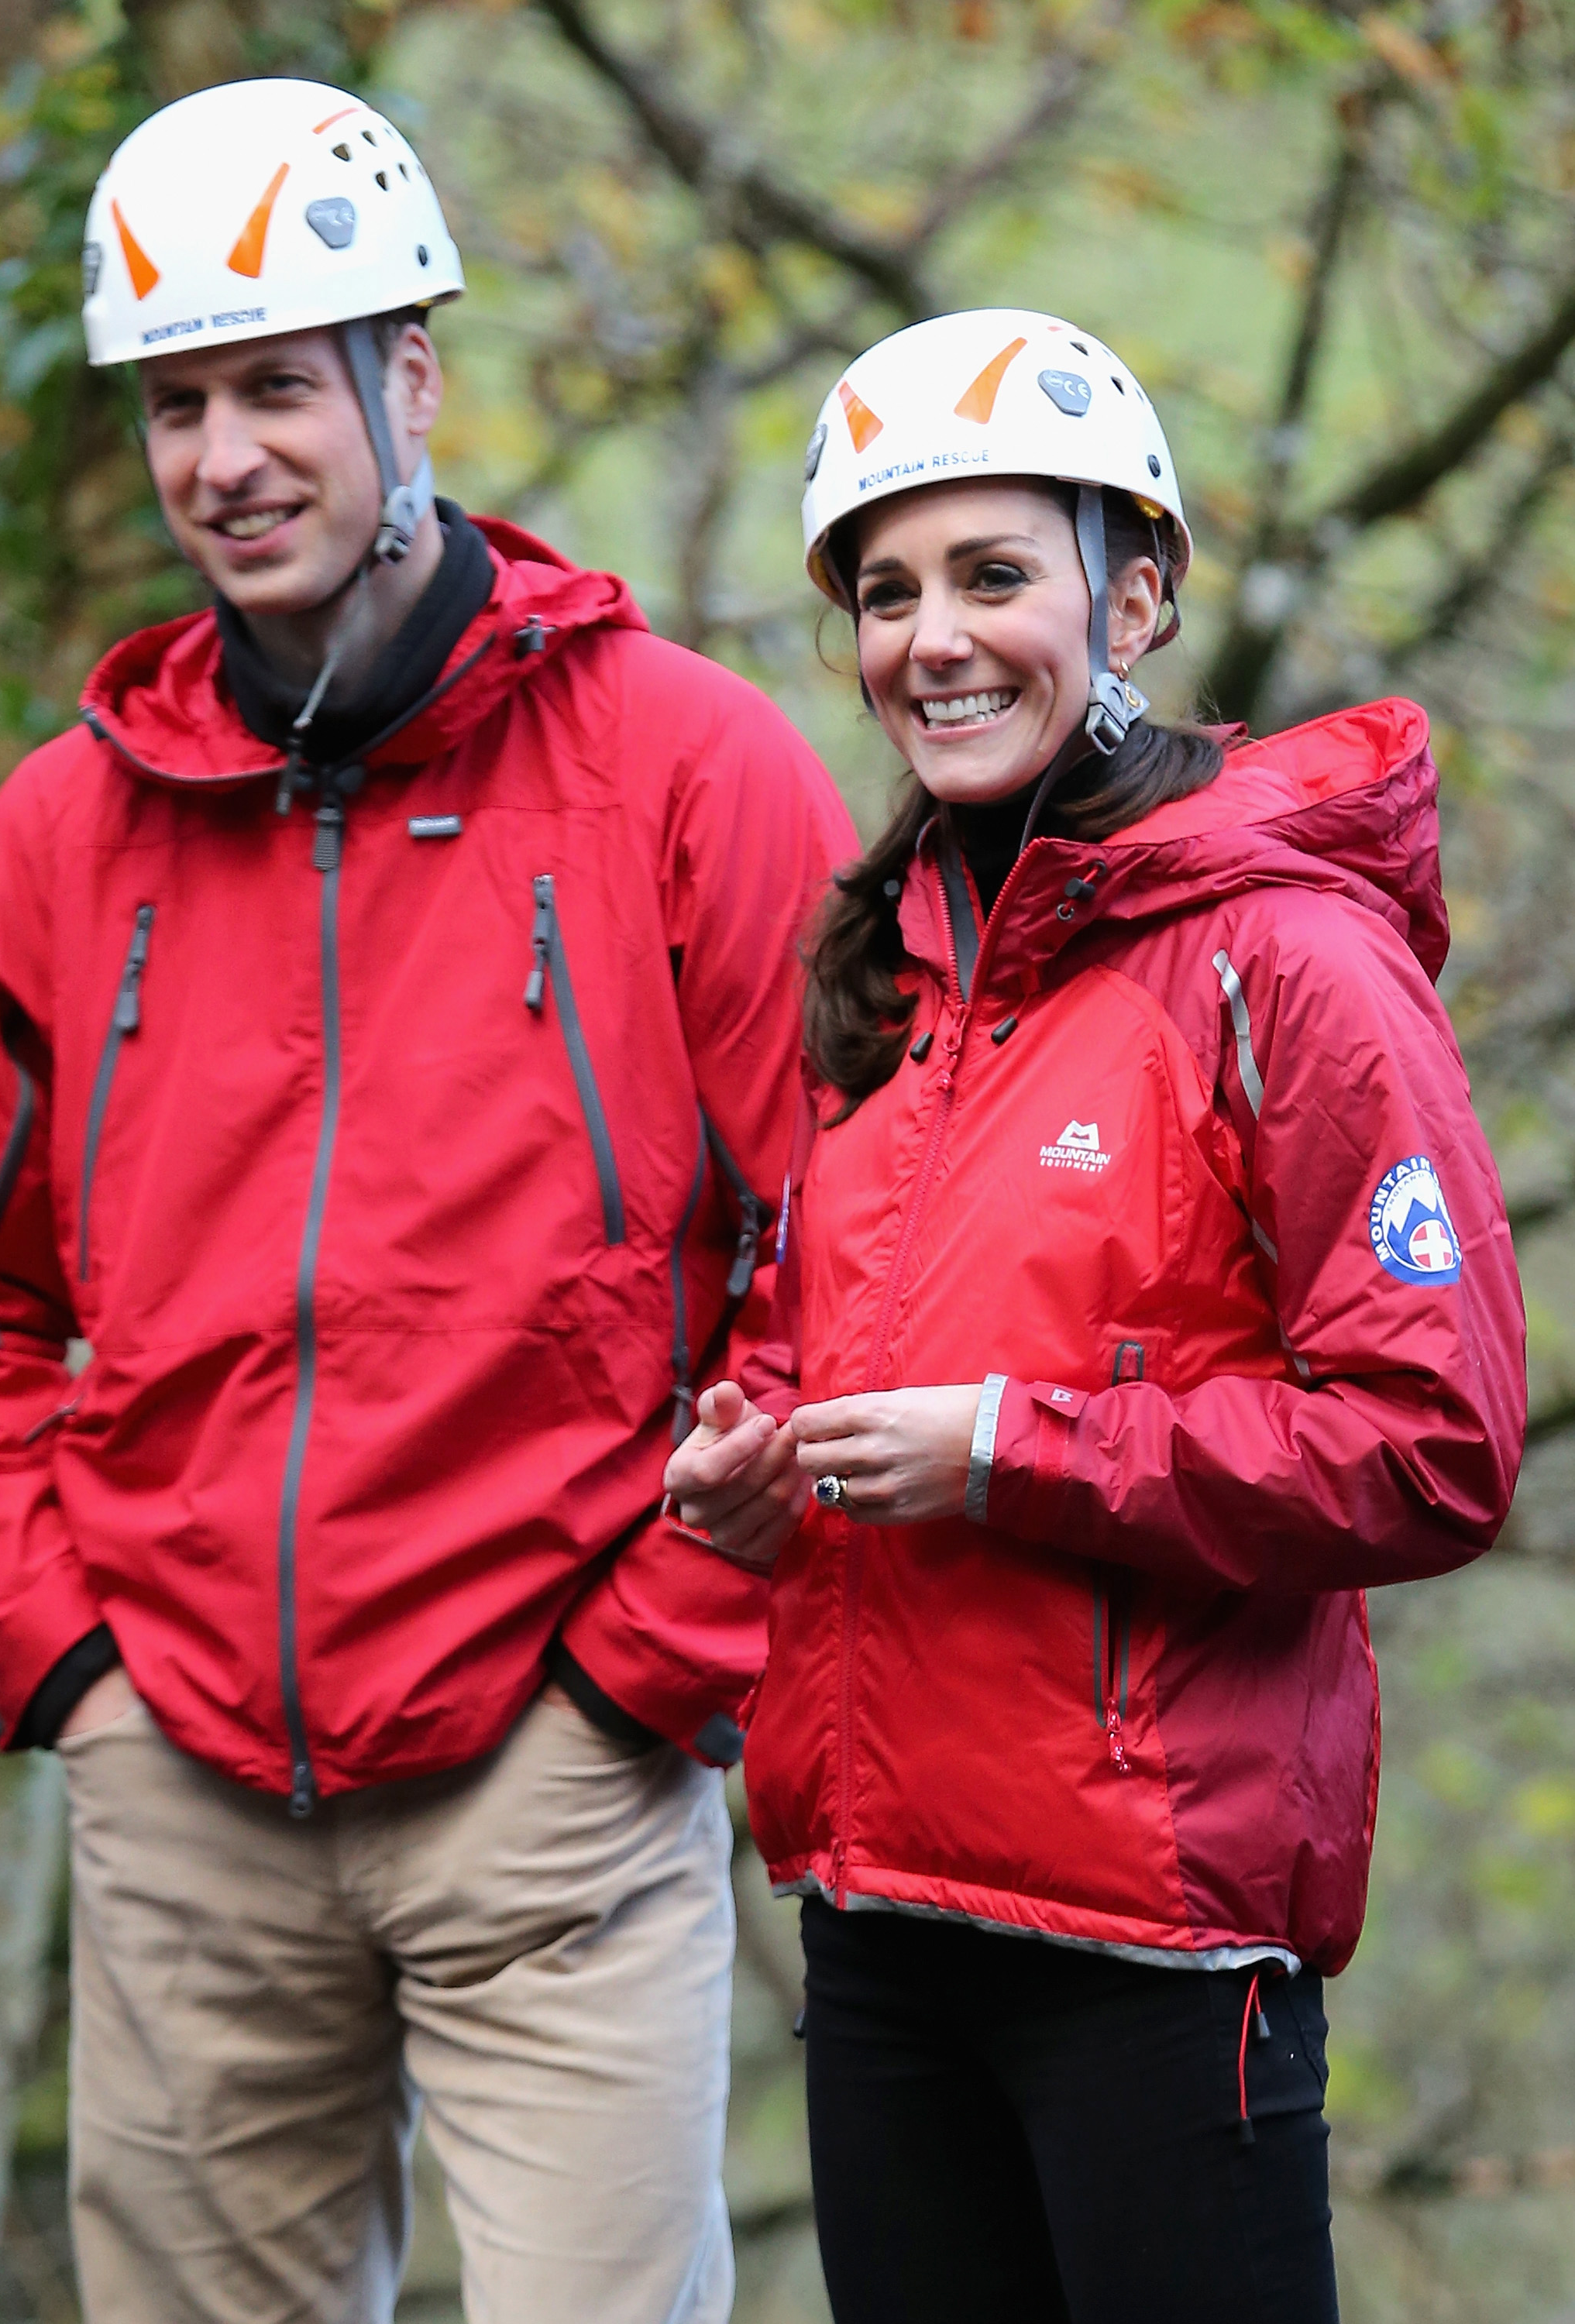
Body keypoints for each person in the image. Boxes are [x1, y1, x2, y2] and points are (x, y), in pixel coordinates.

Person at [0, 77, 853, 2324]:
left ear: (405, 375)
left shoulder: (686, 770)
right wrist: (55, 1651)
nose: (221, 456)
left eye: (273, 388)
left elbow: (862, 1242)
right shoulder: (68, 826)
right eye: (176, 403)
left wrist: (650, 1659)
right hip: (181, 1780)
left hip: (558, 1772)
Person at [665, 306, 1527, 2323]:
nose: (930, 639)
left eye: (990, 575)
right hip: (877, 1927)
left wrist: (1003, 1450)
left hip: (1151, 1949)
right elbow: (868, 1382)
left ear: (1129, 591)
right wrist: (762, 1468)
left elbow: (1432, 1443)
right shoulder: (892, 995)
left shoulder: (1288, 967)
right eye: (884, 594)